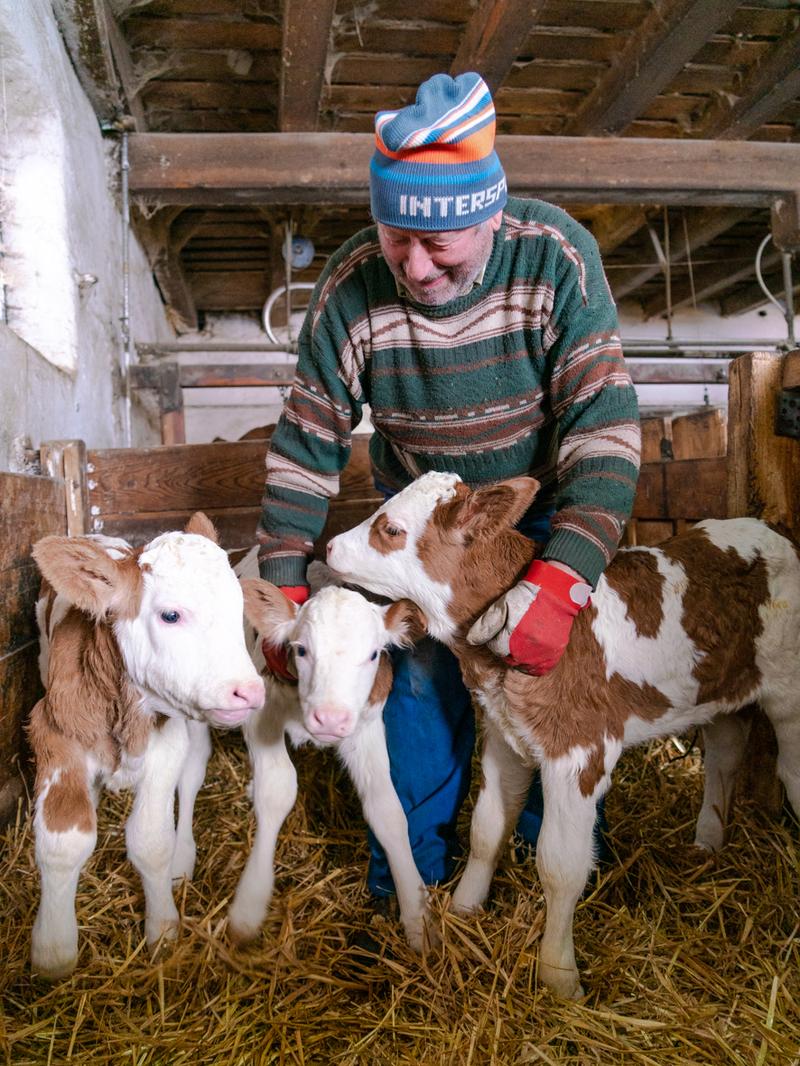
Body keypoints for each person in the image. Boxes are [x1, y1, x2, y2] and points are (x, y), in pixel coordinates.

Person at [255, 72, 641, 912]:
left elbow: (603, 433)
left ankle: (555, 879)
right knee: (422, 693)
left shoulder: (556, 258)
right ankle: (412, 881)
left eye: (442, 245)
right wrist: (285, 587)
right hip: (414, 533)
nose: (416, 266)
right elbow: (305, 444)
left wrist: (566, 573)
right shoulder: (353, 286)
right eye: (399, 238)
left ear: (492, 216)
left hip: (525, 515)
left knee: (554, 690)